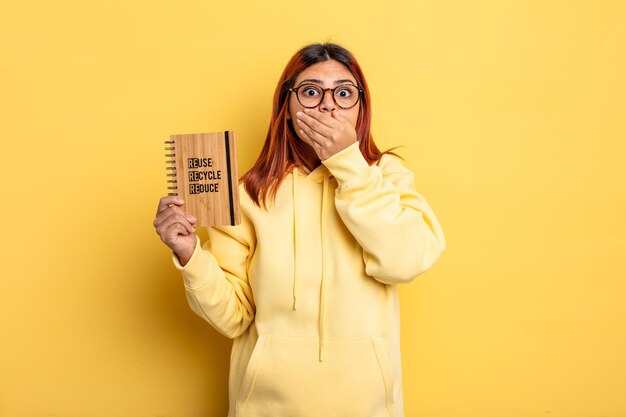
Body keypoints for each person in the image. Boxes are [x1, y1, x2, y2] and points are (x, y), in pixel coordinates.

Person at [153, 42, 446, 417]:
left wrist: (348, 166)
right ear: (287, 109)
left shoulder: (386, 176)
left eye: (343, 93)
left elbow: (405, 261)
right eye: (310, 92)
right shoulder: (247, 195)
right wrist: (190, 254)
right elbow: (232, 318)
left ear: (360, 108)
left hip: (366, 405)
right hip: (265, 406)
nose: (328, 105)